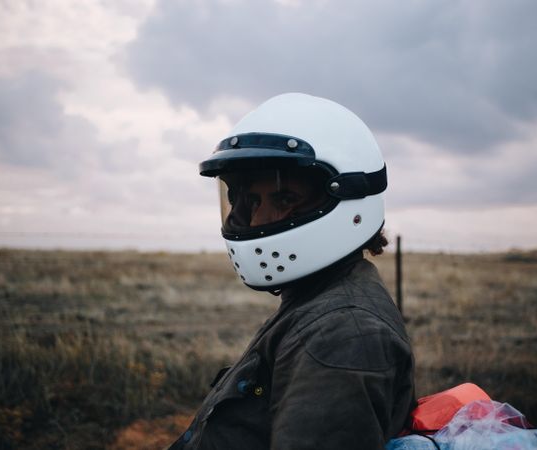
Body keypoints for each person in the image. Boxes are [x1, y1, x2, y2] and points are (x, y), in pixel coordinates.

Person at [168, 93, 415, 450]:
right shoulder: (316, 300)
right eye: (250, 201)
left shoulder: (343, 336)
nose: (257, 220)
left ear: (345, 198)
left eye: (284, 200)